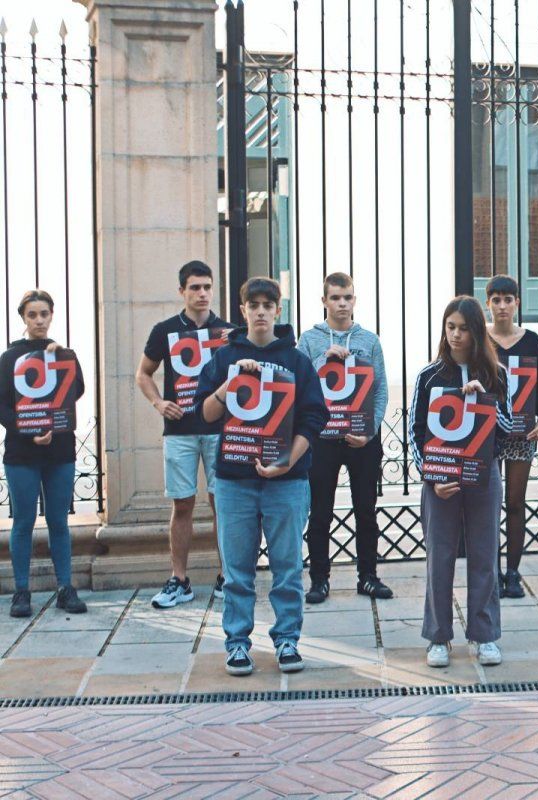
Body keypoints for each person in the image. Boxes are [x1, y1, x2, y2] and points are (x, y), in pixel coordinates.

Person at [197, 278, 329, 676]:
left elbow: (314, 418)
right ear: (242, 311)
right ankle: (237, 644)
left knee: (287, 567)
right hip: (235, 481)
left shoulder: (296, 361)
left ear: (277, 310)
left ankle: (287, 639)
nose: (259, 311)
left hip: (286, 481)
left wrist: (288, 460)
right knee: (237, 570)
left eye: (266, 304)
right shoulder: (223, 359)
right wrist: (230, 384)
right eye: (252, 304)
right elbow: (204, 415)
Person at [409, 296, 513, 668]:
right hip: (440, 483)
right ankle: (438, 637)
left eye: (463, 328)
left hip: (483, 480)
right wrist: (432, 478)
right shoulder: (430, 376)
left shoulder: (496, 374)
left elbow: (508, 430)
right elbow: (415, 433)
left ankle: (484, 637)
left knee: (485, 555)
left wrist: (487, 400)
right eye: (450, 327)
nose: (455, 334)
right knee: (440, 557)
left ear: (475, 331)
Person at [138, 261, 230, 609]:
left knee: (223, 502)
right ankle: (179, 580)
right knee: (182, 503)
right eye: (195, 287)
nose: (202, 293)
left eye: (207, 287)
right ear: (182, 292)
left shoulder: (227, 332)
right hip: (179, 431)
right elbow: (143, 374)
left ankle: (227, 577)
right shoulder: (164, 331)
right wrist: (159, 403)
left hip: (219, 430)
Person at [298, 272, 393, 605]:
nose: (342, 303)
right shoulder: (309, 339)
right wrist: (323, 360)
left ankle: (368, 576)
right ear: (324, 301)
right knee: (320, 510)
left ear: (355, 300)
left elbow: (380, 389)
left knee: (365, 508)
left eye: (347, 297)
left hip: (362, 436)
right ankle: (319, 580)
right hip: (323, 437)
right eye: (335, 297)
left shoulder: (369, 340)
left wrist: (370, 430)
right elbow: (300, 384)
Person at [1, 290, 88, 617]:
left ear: (52, 316)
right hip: (21, 453)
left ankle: (65, 588)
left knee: (58, 521)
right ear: (23, 318)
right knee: (23, 521)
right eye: (32, 315)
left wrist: (60, 359)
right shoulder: (9, 358)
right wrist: (28, 429)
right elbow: (2, 404)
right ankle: (21, 592)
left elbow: (76, 390)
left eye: (44, 314)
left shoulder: (64, 353)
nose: (38, 320)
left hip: (60, 450)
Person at [485, 275, 538, 599]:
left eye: (508, 299)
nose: (502, 306)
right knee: (486, 505)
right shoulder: (479, 339)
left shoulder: (531, 341)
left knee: (514, 502)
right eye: (496, 299)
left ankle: (512, 574)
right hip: (484, 434)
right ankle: (489, 572)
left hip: (521, 433)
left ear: (517, 302)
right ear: (488, 303)